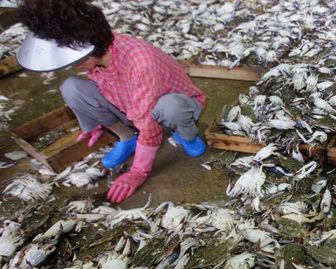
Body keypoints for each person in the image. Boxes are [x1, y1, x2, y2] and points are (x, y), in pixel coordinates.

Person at [16, 0, 208, 204]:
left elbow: (148, 123)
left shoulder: (141, 62)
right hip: (130, 105)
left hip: (173, 106)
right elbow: (106, 91)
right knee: (71, 87)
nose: (73, 66)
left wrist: (138, 171)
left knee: (171, 108)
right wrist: (93, 122)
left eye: (75, 62)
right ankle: (127, 138)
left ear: (88, 52)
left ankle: (187, 135)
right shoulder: (96, 53)